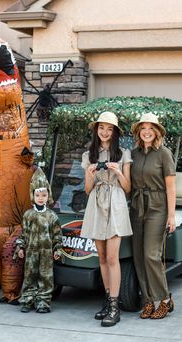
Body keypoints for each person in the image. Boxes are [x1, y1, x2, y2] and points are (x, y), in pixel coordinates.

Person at [81, 111, 132, 327]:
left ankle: (114, 306)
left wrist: (118, 172)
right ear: (96, 130)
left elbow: (128, 188)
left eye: (109, 128)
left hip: (116, 204)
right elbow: (86, 190)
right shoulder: (88, 155)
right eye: (102, 128)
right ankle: (108, 299)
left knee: (113, 257)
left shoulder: (123, 153)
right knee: (101, 257)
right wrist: (91, 175)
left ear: (115, 132)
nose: (104, 132)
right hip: (95, 204)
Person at [130, 112, 176, 319]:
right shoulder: (134, 153)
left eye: (151, 128)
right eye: (143, 128)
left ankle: (165, 299)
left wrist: (171, 215)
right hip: (136, 207)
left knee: (151, 255)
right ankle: (148, 300)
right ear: (139, 131)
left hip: (157, 207)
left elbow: (171, 187)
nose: (147, 131)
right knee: (139, 257)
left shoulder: (164, 153)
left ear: (156, 131)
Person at [13, 167, 62, 313]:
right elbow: (23, 234)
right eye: (38, 195)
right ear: (33, 195)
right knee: (29, 276)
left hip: (46, 254)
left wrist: (57, 249)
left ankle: (43, 302)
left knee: (46, 277)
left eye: (44, 195)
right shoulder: (28, 215)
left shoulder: (52, 216)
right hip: (31, 252)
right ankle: (28, 300)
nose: (41, 198)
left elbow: (57, 235)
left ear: (48, 196)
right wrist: (20, 248)